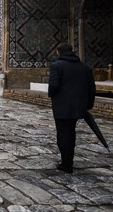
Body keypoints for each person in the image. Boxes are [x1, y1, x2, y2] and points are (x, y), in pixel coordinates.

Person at [48, 43, 95, 174]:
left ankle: (66, 163)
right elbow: (91, 88)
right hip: (78, 107)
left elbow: (53, 86)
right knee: (71, 133)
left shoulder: (57, 66)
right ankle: (69, 160)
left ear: (59, 52)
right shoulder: (85, 67)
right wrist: (89, 104)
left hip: (62, 106)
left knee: (63, 134)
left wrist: (51, 95)